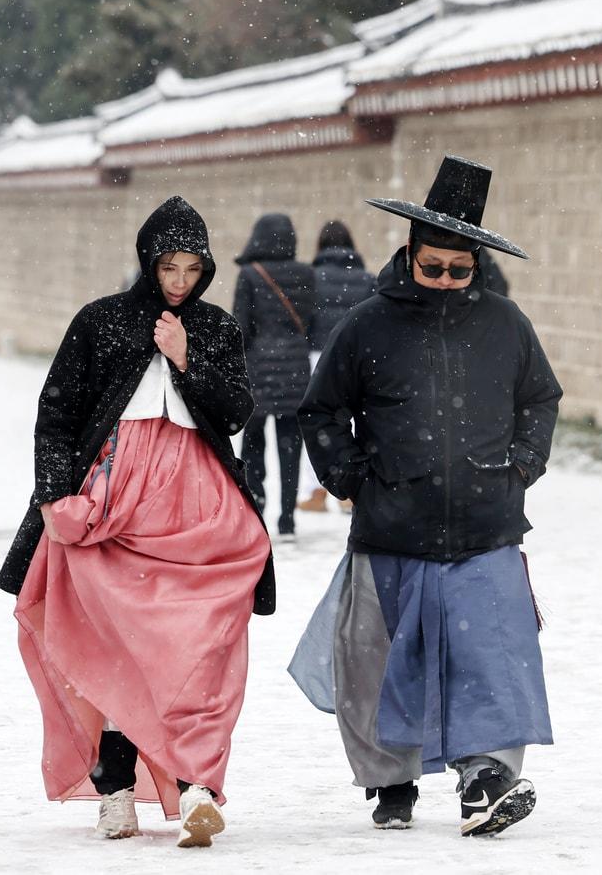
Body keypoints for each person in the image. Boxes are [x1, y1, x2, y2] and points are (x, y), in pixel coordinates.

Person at [0, 196, 276, 849]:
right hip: (113, 505)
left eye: (191, 268)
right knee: (118, 651)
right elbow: (57, 415)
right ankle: (115, 790)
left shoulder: (215, 327)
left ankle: (199, 783)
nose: (179, 280)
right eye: (168, 265)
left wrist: (186, 358)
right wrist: (51, 497)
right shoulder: (100, 321)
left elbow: (236, 411)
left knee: (198, 648)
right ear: (148, 260)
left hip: (199, 504)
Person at [294, 155, 563, 837]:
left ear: (476, 265)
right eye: (432, 267)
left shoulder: (507, 324)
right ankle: (392, 780)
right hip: (391, 525)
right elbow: (321, 412)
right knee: (379, 661)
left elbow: (541, 399)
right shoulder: (366, 326)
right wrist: (350, 478)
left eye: (459, 270)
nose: (445, 280)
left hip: (487, 523)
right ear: (409, 255)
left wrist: (524, 464)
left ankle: (487, 777)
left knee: (492, 654)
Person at [232, 213, 315, 541]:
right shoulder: (307, 273)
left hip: (257, 371)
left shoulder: (249, 275)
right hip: (295, 369)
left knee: (253, 444)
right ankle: (288, 519)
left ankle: (258, 508)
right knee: (290, 445)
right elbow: (309, 319)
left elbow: (242, 325)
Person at [297, 219, 375, 514]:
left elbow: (304, 321)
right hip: (358, 358)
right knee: (354, 423)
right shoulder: (367, 279)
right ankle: (349, 493)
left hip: (317, 355)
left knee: (316, 422)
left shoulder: (311, 277)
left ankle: (316, 491)